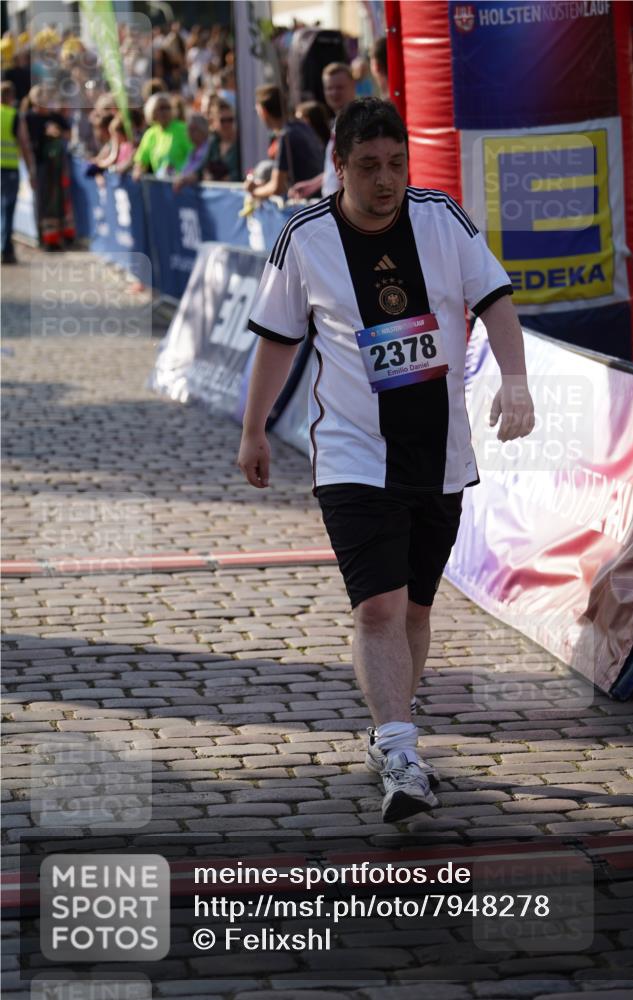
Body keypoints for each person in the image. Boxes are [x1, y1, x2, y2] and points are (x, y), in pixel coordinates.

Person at [238, 98, 535, 824]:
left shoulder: (442, 218)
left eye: (396, 164)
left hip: (439, 452)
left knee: (415, 608)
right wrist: (252, 431)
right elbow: (277, 340)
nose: (385, 180)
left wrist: (516, 379)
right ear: (337, 166)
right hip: (350, 452)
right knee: (377, 606)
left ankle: (390, 726)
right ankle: (400, 750)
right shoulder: (302, 237)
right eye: (368, 166)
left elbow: (493, 298)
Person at [288, 62, 356, 201]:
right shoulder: (338, 121)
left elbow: (355, 169)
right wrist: (313, 185)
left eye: (340, 88)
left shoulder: (358, 122)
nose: (334, 93)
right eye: (329, 88)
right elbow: (336, 168)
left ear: (352, 86)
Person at [244, 84, 323, 202]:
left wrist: (253, 192)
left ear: (264, 111)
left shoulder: (286, 136)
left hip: (306, 204)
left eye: (258, 111)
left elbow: (277, 187)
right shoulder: (302, 127)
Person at [23, 85, 75, 251]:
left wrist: (58, 132)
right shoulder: (29, 117)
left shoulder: (55, 117)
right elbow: (27, 142)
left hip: (58, 166)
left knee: (60, 201)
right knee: (43, 203)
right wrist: (45, 134)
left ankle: (61, 237)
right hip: (40, 165)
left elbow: (68, 133)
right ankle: (45, 239)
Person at [1, 80, 35, 264]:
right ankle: (6, 251)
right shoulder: (14, 115)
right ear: (11, 97)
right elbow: (24, 143)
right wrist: (31, 171)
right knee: (7, 209)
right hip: (9, 168)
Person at [132, 92, 192, 180]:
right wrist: (138, 171)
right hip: (161, 188)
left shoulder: (183, 129)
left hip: (182, 185)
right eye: (161, 108)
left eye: (168, 108)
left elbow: (196, 155)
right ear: (152, 111)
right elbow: (141, 160)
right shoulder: (150, 134)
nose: (165, 111)